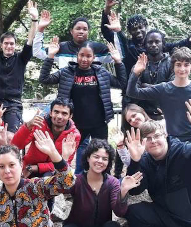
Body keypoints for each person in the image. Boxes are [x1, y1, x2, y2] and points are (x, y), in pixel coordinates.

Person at [39, 38, 127, 174]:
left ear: (93, 57)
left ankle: (104, 184)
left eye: (88, 56)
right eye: (82, 55)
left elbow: (122, 83)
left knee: (101, 155)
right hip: (75, 125)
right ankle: (64, 183)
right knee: (65, 155)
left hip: (99, 123)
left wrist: (118, 61)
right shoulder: (66, 72)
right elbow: (44, 79)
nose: (85, 59)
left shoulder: (101, 73)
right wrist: (50, 56)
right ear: (77, 55)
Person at [61, 139, 142, 227]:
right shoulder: (78, 180)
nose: (100, 161)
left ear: (108, 162)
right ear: (88, 158)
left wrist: (123, 191)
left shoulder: (112, 182)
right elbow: (61, 187)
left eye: (105, 158)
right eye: (96, 156)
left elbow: (119, 211)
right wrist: (64, 159)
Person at [126, 47, 191, 144]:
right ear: (173, 67)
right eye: (178, 64)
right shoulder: (163, 89)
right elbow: (132, 92)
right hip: (173, 141)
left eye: (186, 65)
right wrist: (135, 73)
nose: (182, 69)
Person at [0, 0, 38, 132]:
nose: (9, 46)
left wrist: (35, 19)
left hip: (14, 104)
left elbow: (31, 40)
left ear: (15, 45)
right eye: (6, 43)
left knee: (12, 137)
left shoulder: (21, 58)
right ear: (1, 45)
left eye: (12, 43)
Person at [12, 98, 81, 179]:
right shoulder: (39, 123)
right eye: (56, 112)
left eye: (64, 113)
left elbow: (65, 164)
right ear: (51, 113)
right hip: (28, 168)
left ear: (70, 116)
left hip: (51, 171)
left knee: (48, 179)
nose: (59, 116)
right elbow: (15, 146)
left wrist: (36, 167)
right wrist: (27, 127)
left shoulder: (74, 135)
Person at [32, 12, 117, 68]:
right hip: (67, 93)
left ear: (88, 32)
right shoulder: (61, 48)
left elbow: (119, 55)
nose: (81, 31)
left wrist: (117, 31)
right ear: (71, 31)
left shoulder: (98, 48)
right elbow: (37, 52)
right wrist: (40, 29)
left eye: (84, 29)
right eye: (78, 28)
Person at [113, 103, 151, 178]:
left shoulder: (159, 127)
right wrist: (120, 146)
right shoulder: (132, 137)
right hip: (143, 175)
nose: (133, 120)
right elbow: (129, 162)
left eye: (134, 115)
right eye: (129, 121)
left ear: (142, 112)